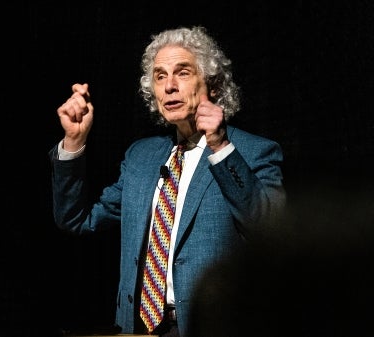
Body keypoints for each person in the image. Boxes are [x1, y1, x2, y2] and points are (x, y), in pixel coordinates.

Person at [48, 26, 286, 336]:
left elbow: (271, 232)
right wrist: (74, 142)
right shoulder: (141, 156)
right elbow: (77, 220)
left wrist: (220, 146)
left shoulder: (253, 151)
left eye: (182, 73)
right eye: (160, 77)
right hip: (138, 327)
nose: (169, 86)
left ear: (211, 86)